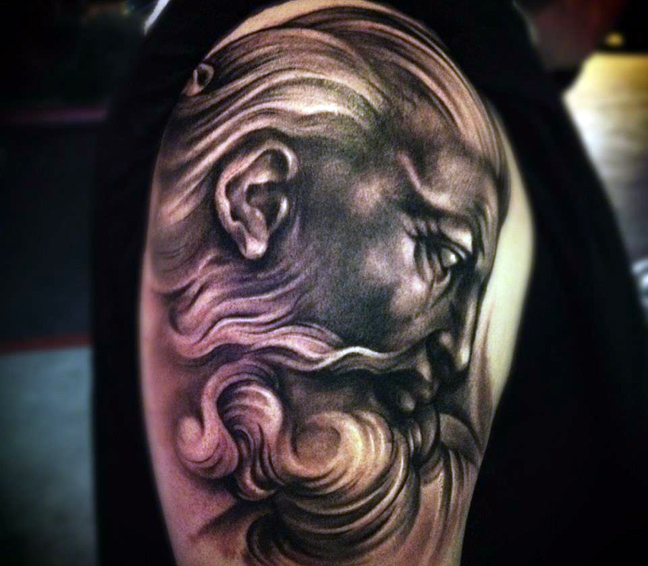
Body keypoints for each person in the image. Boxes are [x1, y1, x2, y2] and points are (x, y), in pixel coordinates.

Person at [93, 1, 648, 565]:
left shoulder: (443, 57)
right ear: (259, 199)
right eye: (440, 255)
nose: (458, 353)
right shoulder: (372, 74)